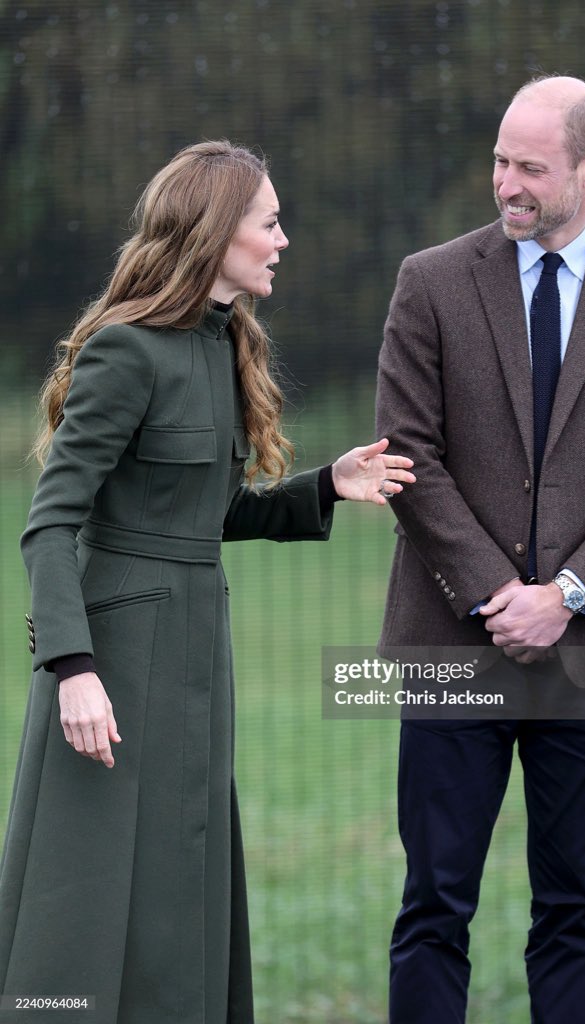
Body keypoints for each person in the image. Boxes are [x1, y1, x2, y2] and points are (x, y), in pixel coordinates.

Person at [0, 140, 415, 1024]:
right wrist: (72, 669)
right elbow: (50, 523)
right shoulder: (126, 352)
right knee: (89, 886)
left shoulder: (227, 344)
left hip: (195, 654)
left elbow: (202, 513)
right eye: (268, 223)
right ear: (217, 233)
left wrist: (322, 489)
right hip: (111, 669)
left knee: (177, 882)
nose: (283, 240)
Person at [376, 76, 585, 1024]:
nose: (505, 183)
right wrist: (496, 593)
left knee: (573, 913)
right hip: (450, 644)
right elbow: (409, 457)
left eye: (529, 167)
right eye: (498, 162)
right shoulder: (429, 282)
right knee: (433, 908)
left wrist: (562, 594)